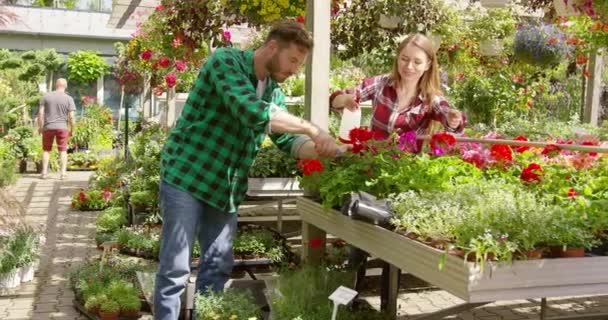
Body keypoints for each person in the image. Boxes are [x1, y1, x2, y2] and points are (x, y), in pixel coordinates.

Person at [154, 21, 341, 319]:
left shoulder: (275, 93)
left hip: (224, 188)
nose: (295, 69)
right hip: (186, 177)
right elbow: (249, 110)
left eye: (300, 64)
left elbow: (289, 142)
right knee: (176, 268)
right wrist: (312, 128)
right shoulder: (225, 61)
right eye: (293, 60)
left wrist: (327, 149)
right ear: (272, 47)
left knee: (217, 266)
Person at [329, 33, 466, 310]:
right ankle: (348, 301)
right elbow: (341, 97)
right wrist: (343, 100)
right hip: (370, 172)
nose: (409, 66)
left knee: (392, 244)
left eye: (417, 61)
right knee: (358, 238)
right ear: (398, 58)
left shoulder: (430, 99)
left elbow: (450, 118)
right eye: (404, 59)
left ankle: (387, 307)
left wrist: (454, 118)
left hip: (402, 181)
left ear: (428, 64)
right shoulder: (381, 84)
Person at [37, 78, 76, 180]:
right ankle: (63, 174)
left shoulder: (46, 96)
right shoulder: (69, 99)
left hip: (48, 127)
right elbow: (71, 117)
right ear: (65, 86)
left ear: (56, 85)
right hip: (62, 128)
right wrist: (73, 129)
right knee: (63, 151)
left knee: (46, 150)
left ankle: (44, 173)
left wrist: (40, 127)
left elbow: (41, 114)